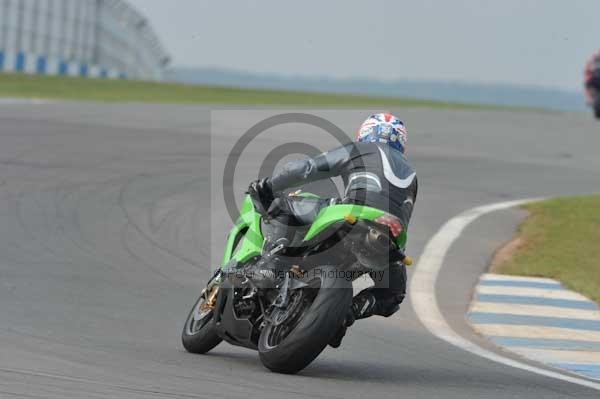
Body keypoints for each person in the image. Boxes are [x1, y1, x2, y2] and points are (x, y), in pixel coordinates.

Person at [248, 113, 418, 347]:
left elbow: (306, 168)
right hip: (389, 239)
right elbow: (402, 219)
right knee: (392, 295)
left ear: (365, 133)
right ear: (401, 141)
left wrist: (268, 185)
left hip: (351, 215)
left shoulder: (361, 149)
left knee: (284, 204)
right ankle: (349, 312)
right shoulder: (412, 175)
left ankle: (271, 266)